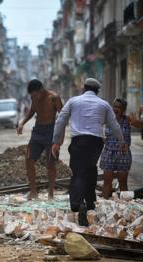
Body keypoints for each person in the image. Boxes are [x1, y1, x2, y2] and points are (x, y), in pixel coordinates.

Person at [51, 78, 126, 227]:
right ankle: (90, 201)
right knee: (91, 169)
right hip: (96, 144)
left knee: (78, 172)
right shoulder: (104, 104)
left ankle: (77, 204)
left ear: (83, 88)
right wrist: (122, 142)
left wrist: (56, 142)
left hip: (79, 142)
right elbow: (115, 125)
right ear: (97, 91)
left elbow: (60, 121)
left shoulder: (73, 101)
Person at [16, 79, 63, 200]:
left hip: (51, 132)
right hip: (37, 131)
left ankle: (51, 193)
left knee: (50, 163)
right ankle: (33, 192)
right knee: (28, 160)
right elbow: (32, 111)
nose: (34, 98)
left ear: (41, 90)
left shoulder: (54, 98)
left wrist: (59, 139)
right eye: (32, 96)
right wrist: (22, 123)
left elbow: (63, 117)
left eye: (34, 95)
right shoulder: (34, 98)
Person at [99, 98, 133, 199]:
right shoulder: (107, 119)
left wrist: (136, 121)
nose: (116, 109)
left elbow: (140, 125)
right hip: (108, 153)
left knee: (123, 183)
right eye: (114, 106)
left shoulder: (127, 120)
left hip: (123, 154)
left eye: (119, 107)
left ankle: (124, 207)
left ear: (123, 110)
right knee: (107, 182)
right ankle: (104, 203)